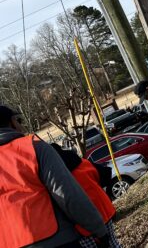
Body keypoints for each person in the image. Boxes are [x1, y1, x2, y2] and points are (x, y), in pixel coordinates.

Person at [0, 105, 109, 248]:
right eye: (19, 121)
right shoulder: (33, 148)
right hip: (57, 239)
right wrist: (99, 230)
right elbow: (68, 196)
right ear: (12, 123)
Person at [50, 144, 122, 248]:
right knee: (113, 244)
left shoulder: (55, 178)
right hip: (103, 211)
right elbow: (105, 175)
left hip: (81, 225)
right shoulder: (82, 163)